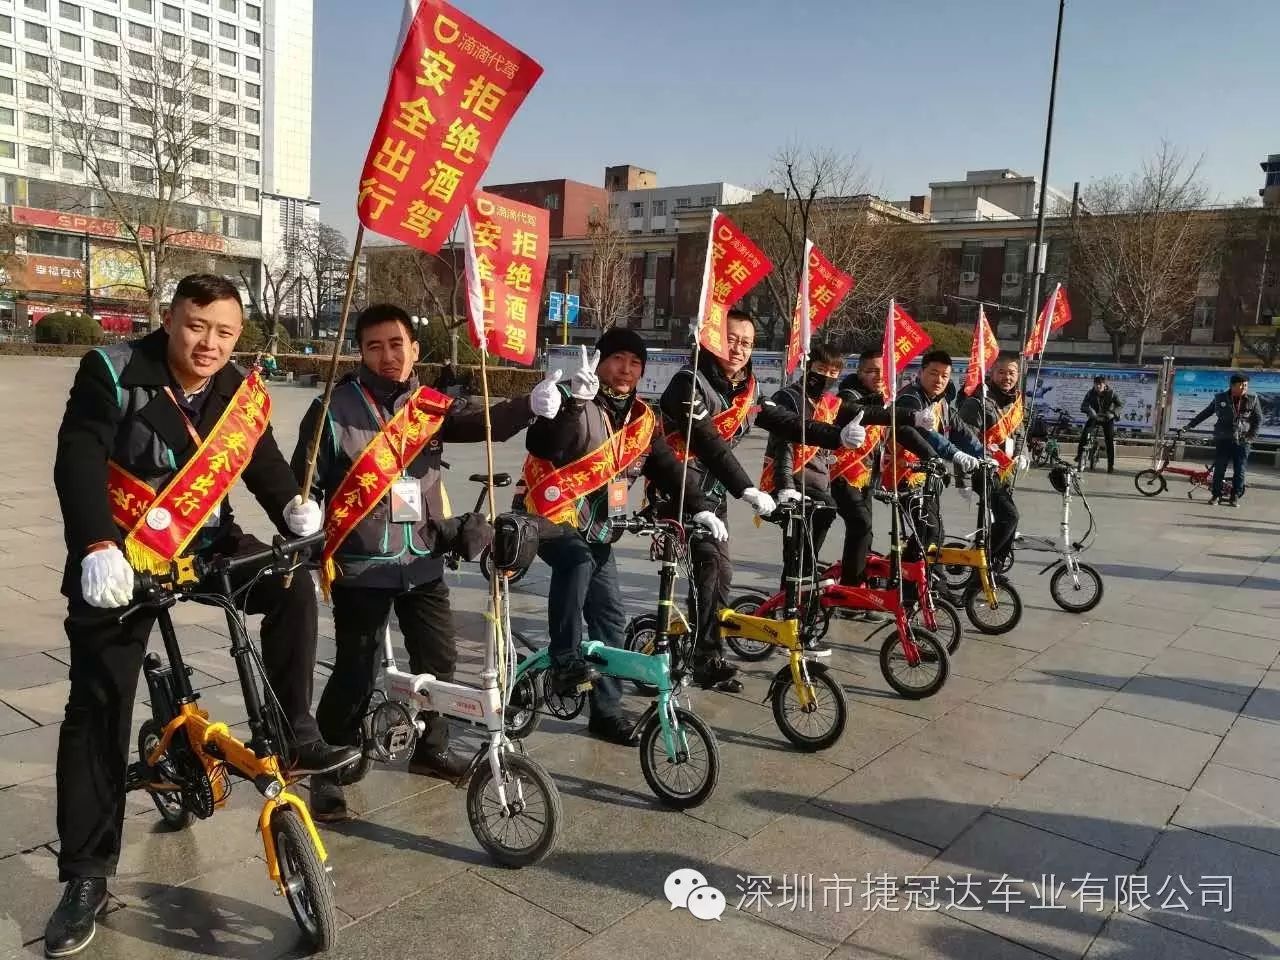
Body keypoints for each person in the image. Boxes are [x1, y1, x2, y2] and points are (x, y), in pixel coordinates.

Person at [46, 274, 358, 958]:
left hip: (207, 543)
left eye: (224, 332)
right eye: (196, 326)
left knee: (291, 585)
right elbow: (79, 455)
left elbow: (262, 463)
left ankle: (295, 730)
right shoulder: (114, 369)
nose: (209, 343)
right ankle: (86, 877)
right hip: (123, 552)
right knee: (98, 707)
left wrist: (291, 511)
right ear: (170, 317)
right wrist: (97, 544)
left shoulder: (239, 390)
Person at [292, 304, 561, 822]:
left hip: (423, 556)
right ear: (359, 352)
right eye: (374, 346)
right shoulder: (333, 408)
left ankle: (431, 748)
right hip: (362, 561)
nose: (388, 356)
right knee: (355, 668)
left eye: (397, 344)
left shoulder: (431, 407)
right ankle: (329, 770)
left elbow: (487, 423)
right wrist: (298, 510)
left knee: (437, 661)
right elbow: (303, 478)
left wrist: (530, 403)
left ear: (415, 349)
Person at [521, 329, 727, 744]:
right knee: (576, 562)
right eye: (618, 359)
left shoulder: (642, 419)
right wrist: (575, 402)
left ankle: (606, 712)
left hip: (597, 528)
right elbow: (544, 443)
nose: (626, 370)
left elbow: (667, 466)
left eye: (635, 363)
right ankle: (564, 659)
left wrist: (701, 506)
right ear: (599, 360)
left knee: (611, 618)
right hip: (550, 515)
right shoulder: (570, 393)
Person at [830, 348, 941, 590]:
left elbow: (901, 431)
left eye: (883, 371)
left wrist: (932, 457)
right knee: (861, 524)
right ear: (859, 373)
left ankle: (863, 577)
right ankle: (852, 589)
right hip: (842, 474)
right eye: (871, 371)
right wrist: (903, 412)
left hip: (868, 475)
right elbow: (865, 412)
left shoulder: (883, 396)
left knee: (866, 531)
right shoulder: (847, 395)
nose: (878, 376)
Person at [884, 349, 987, 557]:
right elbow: (926, 434)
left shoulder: (940, 401)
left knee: (936, 534)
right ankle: (907, 575)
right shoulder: (910, 398)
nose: (939, 380)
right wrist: (955, 454)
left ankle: (924, 575)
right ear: (921, 372)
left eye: (944, 375)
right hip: (904, 473)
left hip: (926, 474)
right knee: (928, 530)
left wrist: (983, 455)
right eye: (933, 373)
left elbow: (961, 431)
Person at [958, 353, 1028, 570]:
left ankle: (994, 569)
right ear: (992, 373)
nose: (1007, 377)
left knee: (1006, 522)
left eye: (1012, 373)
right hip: (983, 471)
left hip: (1006, 472)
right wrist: (963, 480)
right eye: (1002, 372)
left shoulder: (1015, 401)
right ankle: (982, 568)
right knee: (1010, 517)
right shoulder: (977, 402)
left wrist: (1023, 454)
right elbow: (963, 439)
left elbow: (1020, 434)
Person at [1183, 373, 1262, 507]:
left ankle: (1235, 496)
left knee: (1240, 470)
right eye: (1241, 385)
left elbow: (1258, 419)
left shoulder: (1252, 399)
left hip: (1242, 441)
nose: (1244, 388)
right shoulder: (1220, 398)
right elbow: (1206, 412)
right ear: (1232, 386)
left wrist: (1250, 436)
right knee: (1219, 469)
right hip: (1223, 438)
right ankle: (1216, 495)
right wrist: (1189, 425)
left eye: (1246, 385)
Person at [1078, 375, 1122, 472]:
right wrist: (1089, 410)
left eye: (1100, 384)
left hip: (1107, 418)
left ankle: (1110, 465)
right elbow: (1083, 405)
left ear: (1104, 385)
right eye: (1096, 384)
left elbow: (1119, 405)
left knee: (1109, 440)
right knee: (1084, 434)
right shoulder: (1090, 393)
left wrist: (1113, 413)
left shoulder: (1112, 393)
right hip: (1095, 417)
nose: (1098, 387)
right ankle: (1079, 456)